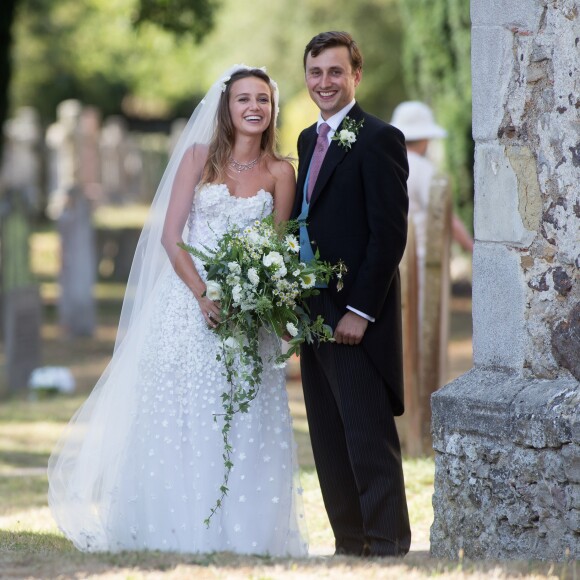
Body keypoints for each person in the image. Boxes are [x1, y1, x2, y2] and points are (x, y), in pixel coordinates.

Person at [48, 66, 308, 557]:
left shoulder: (281, 172)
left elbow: (277, 246)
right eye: (243, 99)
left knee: (244, 415)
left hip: (247, 315)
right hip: (186, 306)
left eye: (263, 100)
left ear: (272, 109)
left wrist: (255, 300)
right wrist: (203, 295)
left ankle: (245, 534)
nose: (254, 107)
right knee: (183, 413)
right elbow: (171, 237)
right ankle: (174, 526)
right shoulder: (198, 158)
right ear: (226, 108)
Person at [291, 31, 411, 557]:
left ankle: (387, 545)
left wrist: (361, 310)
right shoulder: (303, 139)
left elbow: (389, 234)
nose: (325, 82)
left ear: (355, 76)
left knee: (367, 435)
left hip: (357, 312)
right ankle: (349, 544)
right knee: (329, 437)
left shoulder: (380, 138)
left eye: (335, 72)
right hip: (312, 313)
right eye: (316, 73)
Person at [390, 100, 473, 307]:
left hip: (392, 261)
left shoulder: (386, 166)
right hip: (421, 264)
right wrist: (473, 249)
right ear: (425, 138)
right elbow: (446, 216)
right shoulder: (425, 170)